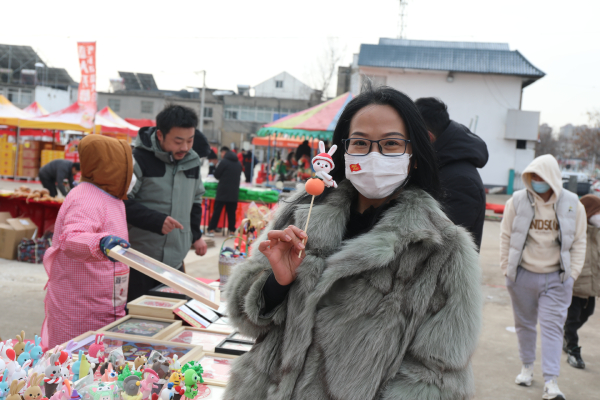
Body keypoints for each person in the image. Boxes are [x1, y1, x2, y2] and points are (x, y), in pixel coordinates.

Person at [224, 86, 482, 399]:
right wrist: (275, 284)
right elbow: (243, 317)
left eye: (390, 144)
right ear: (344, 150)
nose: (374, 155)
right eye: (360, 143)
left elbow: (436, 379)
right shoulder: (305, 209)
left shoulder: (442, 248)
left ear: (414, 155)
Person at [500, 154, 586, 399]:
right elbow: (505, 235)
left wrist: (572, 274)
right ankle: (527, 367)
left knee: (552, 329)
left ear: (553, 177)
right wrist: (507, 269)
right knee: (524, 324)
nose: (537, 181)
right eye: (533, 176)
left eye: (541, 176)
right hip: (522, 276)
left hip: (557, 279)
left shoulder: (573, 204)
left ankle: (551, 381)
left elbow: (579, 241)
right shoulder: (517, 201)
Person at [43, 135, 133, 348]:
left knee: (101, 358)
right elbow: (71, 238)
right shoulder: (86, 197)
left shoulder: (112, 197)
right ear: (109, 166)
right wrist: (100, 242)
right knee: (76, 359)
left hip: (105, 302)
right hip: (80, 307)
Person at [125, 105, 207, 302]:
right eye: (178, 141)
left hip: (175, 261)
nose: (185, 147)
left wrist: (196, 236)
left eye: (190, 140)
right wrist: (155, 220)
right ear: (160, 135)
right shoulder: (139, 160)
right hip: (140, 259)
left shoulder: (192, 162)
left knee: (174, 312)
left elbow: (196, 200)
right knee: (139, 314)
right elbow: (122, 202)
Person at [415, 97, 488, 250]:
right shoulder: (437, 167)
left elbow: (439, 246)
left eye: (409, 137)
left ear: (427, 137)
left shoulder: (461, 182)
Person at [563, 194, 600, 369]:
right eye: (598, 212)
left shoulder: (597, 234)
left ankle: (566, 334)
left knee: (587, 313)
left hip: (591, 286)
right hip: (575, 286)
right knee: (573, 318)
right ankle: (573, 348)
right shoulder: (576, 233)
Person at [206, 146, 242, 236]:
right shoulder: (238, 163)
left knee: (217, 212)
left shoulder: (224, 162)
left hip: (222, 192)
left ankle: (211, 230)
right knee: (231, 213)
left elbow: (216, 175)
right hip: (234, 193)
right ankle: (232, 231)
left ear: (223, 153)